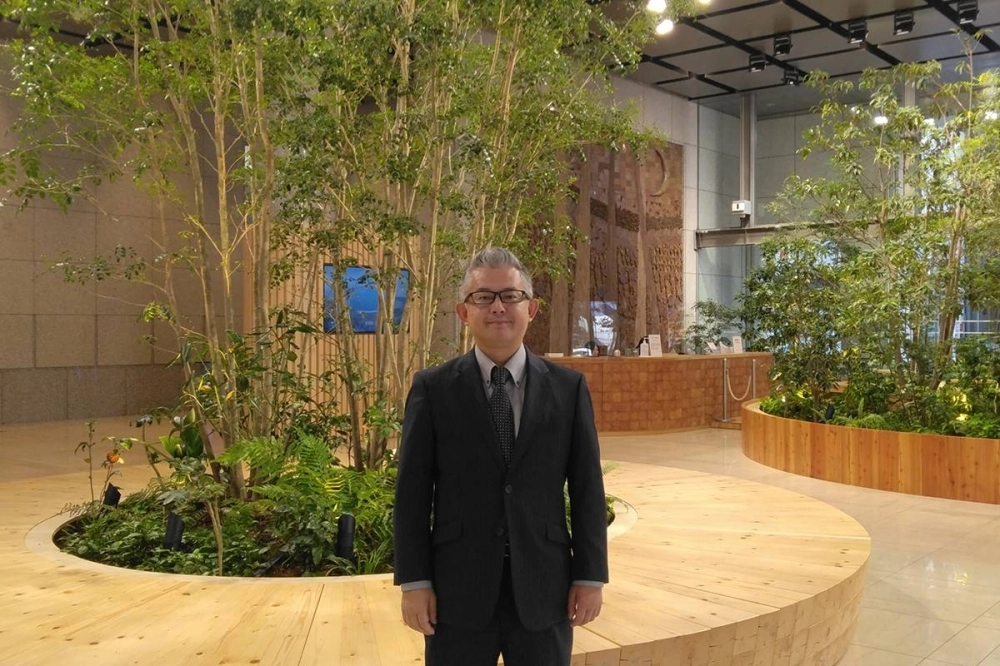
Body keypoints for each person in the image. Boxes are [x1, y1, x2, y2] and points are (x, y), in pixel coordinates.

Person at [393, 247, 609, 666]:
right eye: (483, 297)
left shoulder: (568, 389)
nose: (498, 307)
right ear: (463, 312)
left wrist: (590, 575)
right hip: (457, 591)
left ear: (532, 308)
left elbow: (587, 489)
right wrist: (414, 582)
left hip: (546, 589)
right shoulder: (433, 389)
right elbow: (413, 493)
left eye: (509, 296)